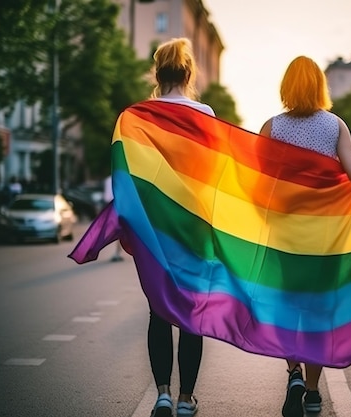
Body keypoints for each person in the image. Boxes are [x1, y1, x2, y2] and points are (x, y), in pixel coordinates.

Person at [259, 55, 351, 417]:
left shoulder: (272, 128)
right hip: (323, 239)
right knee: (318, 313)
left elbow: (260, 184)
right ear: (320, 86)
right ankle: (311, 392)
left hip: (285, 236)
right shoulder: (335, 126)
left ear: (286, 87)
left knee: (289, 307)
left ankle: (291, 373)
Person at [144, 37, 216, 417]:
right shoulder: (204, 113)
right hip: (194, 224)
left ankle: (163, 394)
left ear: (158, 74)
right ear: (189, 73)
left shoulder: (142, 113)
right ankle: (187, 399)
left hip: (156, 226)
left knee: (159, 311)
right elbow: (215, 173)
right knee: (191, 314)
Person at [102, 174, 124, 262]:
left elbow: (106, 197)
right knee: (118, 231)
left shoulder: (108, 180)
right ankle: (118, 252)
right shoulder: (121, 178)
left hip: (113, 208)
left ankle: (118, 252)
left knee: (117, 231)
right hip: (119, 208)